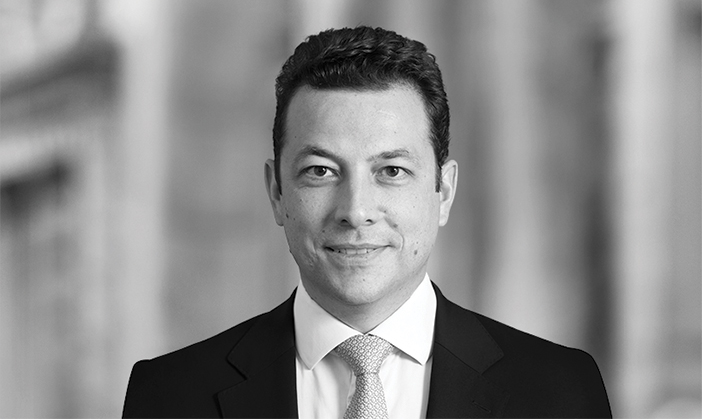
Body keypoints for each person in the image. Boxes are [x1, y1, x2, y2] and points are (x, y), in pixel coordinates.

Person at [122, 26, 612, 418]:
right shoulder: (169, 396)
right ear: (276, 192)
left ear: (443, 191)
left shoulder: (559, 391)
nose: (356, 211)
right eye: (321, 171)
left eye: (391, 171)